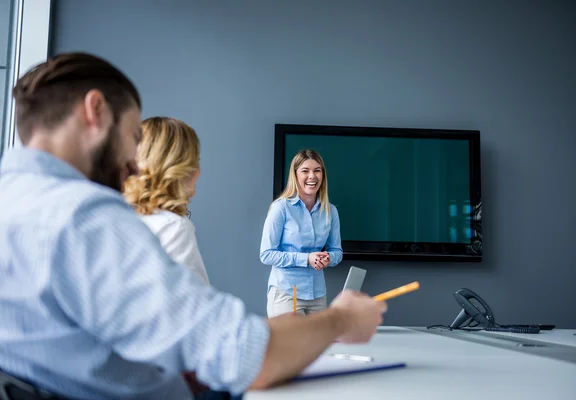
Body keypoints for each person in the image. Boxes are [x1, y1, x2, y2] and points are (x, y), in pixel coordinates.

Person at [0, 52, 386, 400]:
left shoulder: (12, 199)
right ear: (95, 110)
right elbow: (248, 356)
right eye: (133, 137)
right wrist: (342, 318)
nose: (135, 167)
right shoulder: (85, 216)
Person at [123, 116, 209, 284]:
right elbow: (188, 306)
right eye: (194, 162)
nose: (199, 171)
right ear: (178, 169)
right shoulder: (174, 228)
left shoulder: (115, 218)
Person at [260, 149, 343, 317]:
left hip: (318, 295)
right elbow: (266, 254)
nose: (312, 176)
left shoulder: (330, 211)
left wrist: (328, 258)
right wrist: (307, 259)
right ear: (295, 175)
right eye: (305, 171)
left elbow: (337, 252)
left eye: (317, 171)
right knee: (289, 344)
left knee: (319, 343)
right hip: (286, 293)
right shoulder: (281, 208)